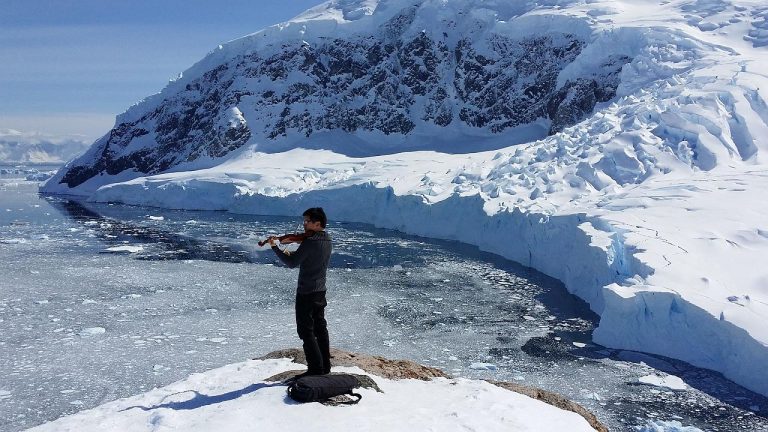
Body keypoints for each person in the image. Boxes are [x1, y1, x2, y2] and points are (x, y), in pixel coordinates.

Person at [269, 207, 333, 377]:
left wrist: (275, 247)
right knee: (320, 328)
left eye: (307, 221)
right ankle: (325, 366)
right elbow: (307, 256)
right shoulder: (327, 239)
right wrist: (292, 248)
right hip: (320, 291)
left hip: (307, 292)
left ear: (317, 223)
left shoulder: (310, 242)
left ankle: (315, 369)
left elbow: (292, 263)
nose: (304, 224)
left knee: (306, 331)